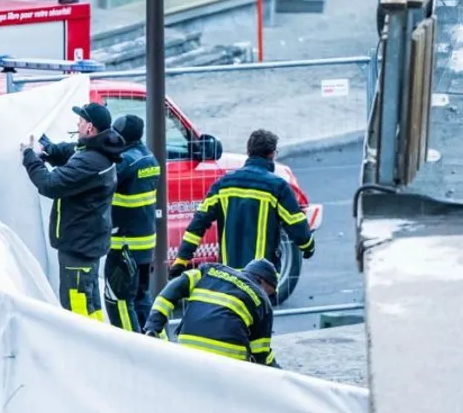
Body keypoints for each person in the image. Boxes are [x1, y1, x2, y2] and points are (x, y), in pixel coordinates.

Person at [20, 102, 127, 322]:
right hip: (87, 242)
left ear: (90, 128)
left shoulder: (91, 160)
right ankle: (98, 345)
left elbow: (49, 184)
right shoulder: (98, 150)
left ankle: (86, 351)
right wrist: (47, 149)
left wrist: (29, 156)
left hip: (78, 247)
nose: (77, 123)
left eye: (81, 120)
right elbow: (70, 153)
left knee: (76, 309)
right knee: (90, 303)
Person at [170, 129, 315, 277]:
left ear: (248, 152)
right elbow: (296, 223)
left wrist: (182, 258)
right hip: (260, 279)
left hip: (229, 276)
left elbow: (198, 223)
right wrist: (308, 247)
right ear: (272, 154)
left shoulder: (223, 184)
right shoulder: (278, 187)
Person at [142, 258, 279, 367]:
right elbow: (261, 357)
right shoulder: (262, 301)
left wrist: (153, 327)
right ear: (261, 281)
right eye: (270, 292)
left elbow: (172, 289)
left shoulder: (210, 270)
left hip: (187, 348)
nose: (269, 298)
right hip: (228, 360)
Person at [110, 114, 161, 328]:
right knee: (142, 296)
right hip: (145, 242)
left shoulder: (126, 162)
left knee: (122, 300)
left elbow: (100, 180)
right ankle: (155, 340)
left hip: (125, 243)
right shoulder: (149, 158)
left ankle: (132, 347)